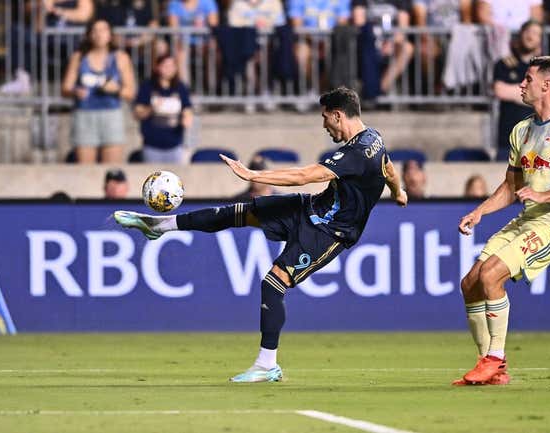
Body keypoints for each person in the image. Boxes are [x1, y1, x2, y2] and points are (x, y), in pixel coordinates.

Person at [113, 86, 408, 382]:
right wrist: (399, 191)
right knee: (235, 213)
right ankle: (159, 227)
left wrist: (253, 175)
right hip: (310, 208)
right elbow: (388, 168)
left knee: (273, 284)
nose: (324, 126)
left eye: (324, 118)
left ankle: (267, 365)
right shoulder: (373, 139)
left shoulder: (353, 153)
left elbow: (304, 176)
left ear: (337, 115)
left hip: (330, 231)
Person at [454, 56, 550, 386]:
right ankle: (489, 365)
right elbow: (511, 186)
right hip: (526, 219)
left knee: (492, 275)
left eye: (527, 79)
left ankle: (495, 359)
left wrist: (544, 196)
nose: (521, 84)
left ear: (546, 85)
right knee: (470, 283)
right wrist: (480, 212)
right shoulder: (521, 130)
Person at [62, 19, 136, 163]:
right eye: (95, 30)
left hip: (111, 115)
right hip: (84, 115)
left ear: (110, 35)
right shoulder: (78, 57)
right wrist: (75, 91)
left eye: (103, 30)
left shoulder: (121, 58)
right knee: (86, 170)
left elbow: (130, 92)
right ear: (89, 34)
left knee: (112, 170)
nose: (99, 34)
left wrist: (116, 89)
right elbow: (65, 88)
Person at [493, 20, 542, 158]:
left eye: (536, 34)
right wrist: (532, 95)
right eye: (528, 32)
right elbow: (500, 91)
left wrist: (514, 93)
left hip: (537, 140)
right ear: (520, 34)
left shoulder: (544, 67)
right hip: (508, 138)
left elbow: (545, 96)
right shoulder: (504, 64)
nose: (530, 36)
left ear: (540, 40)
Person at [134, 54, 193, 164]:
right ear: (157, 67)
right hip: (152, 145)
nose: (169, 69)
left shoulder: (180, 87)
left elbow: (187, 110)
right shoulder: (147, 86)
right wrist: (152, 108)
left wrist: (187, 119)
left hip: (175, 144)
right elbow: (137, 113)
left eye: (172, 66)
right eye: (165, 66)